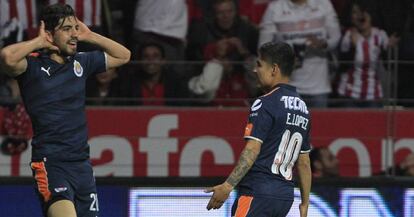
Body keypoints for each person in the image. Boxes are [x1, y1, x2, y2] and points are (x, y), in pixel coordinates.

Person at [0, 3, 130, 217]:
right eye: (67, 29)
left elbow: (124, 55)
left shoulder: (82, 62)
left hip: (82, 166)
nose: (74, 35)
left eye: (75, 28)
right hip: (51, 164)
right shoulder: (31, 67)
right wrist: (38, 41)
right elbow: (6, 57)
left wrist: (90, 35)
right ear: (50, 35)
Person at [205, 42, 312, 217]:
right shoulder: (303, 108)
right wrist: (305, 204)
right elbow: (304, 162)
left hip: (257, 192)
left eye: (260, 64)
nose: (255, 70)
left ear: (274, 69)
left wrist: (228, 185)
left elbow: (252, 149)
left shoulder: (265, 102)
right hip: (284, 197)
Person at [259, 0, 341, 108]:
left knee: (319, 125)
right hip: (286, 87)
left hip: (319, 87)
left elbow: (336, 37)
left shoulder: (323, 4)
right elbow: (263, 47)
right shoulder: (275, 8)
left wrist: (323, 44)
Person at [336, 0, 399, 108]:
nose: (360, 16)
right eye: (355, 12)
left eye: (362, 12)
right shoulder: (348, 36)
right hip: (350, 94)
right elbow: (342, 66)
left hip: (373, 94)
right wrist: (353, 47)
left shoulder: (380, 35)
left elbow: (388, 64)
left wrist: (390, 48)